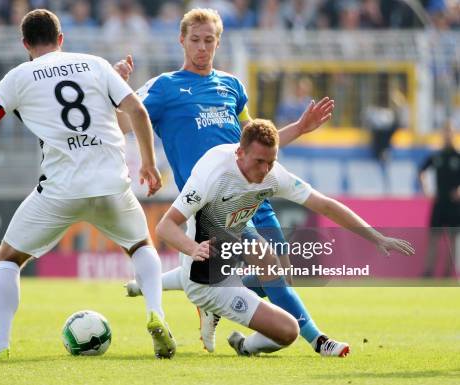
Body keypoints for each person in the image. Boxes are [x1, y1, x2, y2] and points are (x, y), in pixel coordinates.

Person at [0, 9, 176, 359]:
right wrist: (150, 164)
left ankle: (0, 343)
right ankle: (156, 313)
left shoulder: (18, 77)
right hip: (112, 183)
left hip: (61, 189)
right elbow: (137, 111)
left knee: (7, 258)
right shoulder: (96, 65)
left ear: (25, 44)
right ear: (61, 39)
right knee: (141, 247)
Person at [114, 7, 349, 357]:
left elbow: (256, 141)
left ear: (218, 42)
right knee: (267, 268)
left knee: (276, 277)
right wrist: (117, 89)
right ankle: (319, 340)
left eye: (209, 40)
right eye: (195, 40)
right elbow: (122, 125)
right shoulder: (164, 87)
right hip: (212, 201)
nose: (202, 48)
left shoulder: (232, 86)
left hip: (254, 191)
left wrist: (299, 127)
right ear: (182, 40)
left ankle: (244, 343)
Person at [156, 119, 414, 357]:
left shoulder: (272, 173)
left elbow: (325, 205)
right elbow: (165, 226)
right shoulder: (210, 176)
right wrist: (192, 248)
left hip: (232, 235)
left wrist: (376, 237)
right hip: (204, 274)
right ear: (239, 153)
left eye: (271, 162)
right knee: (288, 329)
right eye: (260, 162)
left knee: (270, 262)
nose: (266, 170)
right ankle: (194, 295)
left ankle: (271, 343)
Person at [419, 121, 459, 277]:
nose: (448, 135)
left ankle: (448, 273)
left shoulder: (458, 156)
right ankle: (428, 272)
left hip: (455, 205)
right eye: (445, 132)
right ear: (442, 134)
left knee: (453, 239)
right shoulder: (437, 156)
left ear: (454, 134)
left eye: (450, 132)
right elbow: (421, 170)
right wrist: (425, 188)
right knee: (433, 238)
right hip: (439, 203)